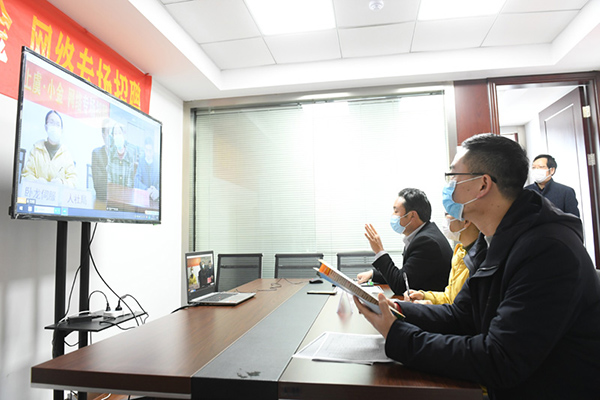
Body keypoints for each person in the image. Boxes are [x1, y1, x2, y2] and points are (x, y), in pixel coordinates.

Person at [354, 133, 600, 399]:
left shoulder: (547, 250)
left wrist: (399, 336)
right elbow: (462, 316)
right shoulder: (493, 239)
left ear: (483, 184)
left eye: (453, 177)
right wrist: (399, 309)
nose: (448, 187)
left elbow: (500, 359)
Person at [357, 188, 453, 296]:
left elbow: (401, 285)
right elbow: (408, 274)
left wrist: (379, 251)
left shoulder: (427, 242)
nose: (393, 215)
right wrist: (373, 274)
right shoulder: (422, 235)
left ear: (412, 215)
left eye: (396, 211)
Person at [407, 214, 483, 305]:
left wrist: (431, 308)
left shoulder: (480, 260)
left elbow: (463, 309)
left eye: (448, 214)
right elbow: (450, 298)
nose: (445, 219)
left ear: (466, 221)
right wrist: (424, 296)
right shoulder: (460, 252)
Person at [21, 110, 77, 187]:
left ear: (61, 130)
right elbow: (26, 174)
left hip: (58, 194)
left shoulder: (66, 154)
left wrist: (62, 183)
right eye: (51, 123)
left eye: (57, 124)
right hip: (38, 192)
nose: (54, 127)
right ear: (46, 127)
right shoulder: (36, 149)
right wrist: (36, 182)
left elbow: (73, 180)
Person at [91, 118, 113, 200]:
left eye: (112, 133)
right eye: (108, 132)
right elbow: (97, 185)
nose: (111, 136)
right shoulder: (96, 153)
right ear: (103, 135)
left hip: (118, 201)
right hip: (102, 200)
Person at [134, 137, 160, 201]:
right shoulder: (141, 160)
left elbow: (162, 181)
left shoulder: (158, 161)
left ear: (153, 150)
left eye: (150, 150)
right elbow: (136, 181)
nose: (148, 153)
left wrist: (157, 191)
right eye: (146, 150)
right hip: (143, 196)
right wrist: (146, 189)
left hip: (155, 198)